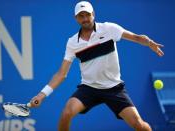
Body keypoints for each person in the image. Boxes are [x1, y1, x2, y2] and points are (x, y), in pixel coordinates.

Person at [30, 1, 164, 131]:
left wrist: (148, 42)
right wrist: (41, 95)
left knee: (139, 125)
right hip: (89, 88)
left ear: (93, 14)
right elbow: (61, 74)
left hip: (114, 88)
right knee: (67, 113)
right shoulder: (72, 43)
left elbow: (136, 37)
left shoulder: (109, 29)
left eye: (87, 15)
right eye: (81, 16)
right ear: (76, 18)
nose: (85, 19)